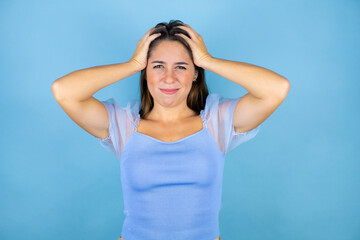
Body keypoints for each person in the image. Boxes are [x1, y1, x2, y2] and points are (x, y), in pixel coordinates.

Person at [52, 20, 290, 240]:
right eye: (157, 66)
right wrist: (132, 65)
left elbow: (277, 88)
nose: (169, 78)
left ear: (195, 73)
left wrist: (208, 60)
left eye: (181, 67)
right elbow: (64, 91)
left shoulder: (218, 121)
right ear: (145, 73)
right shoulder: (123, 124)